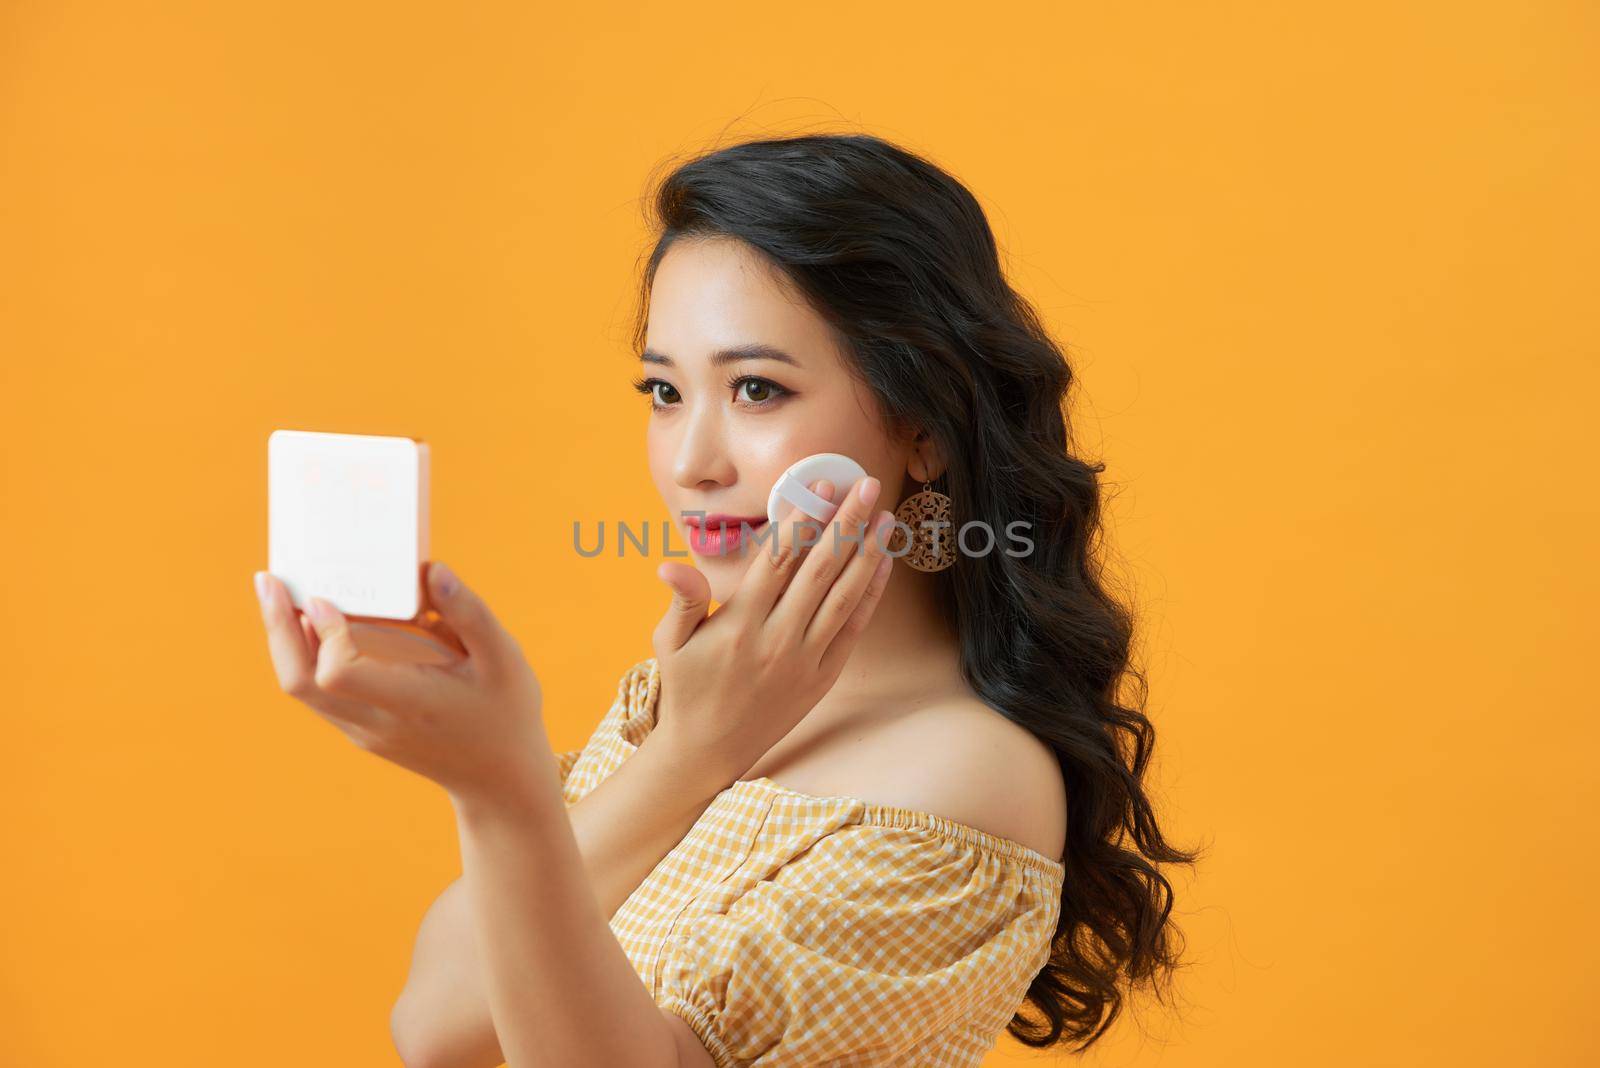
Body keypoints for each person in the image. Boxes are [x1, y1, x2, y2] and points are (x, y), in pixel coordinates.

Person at [253, 132, 1197, 1067]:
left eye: (755, 388)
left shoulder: (963, 781)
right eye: (664, 391)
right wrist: (674, 753)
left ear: (926, 432)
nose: (693, 464)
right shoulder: (696, 693)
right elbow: (436, 1030)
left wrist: (505, 787)